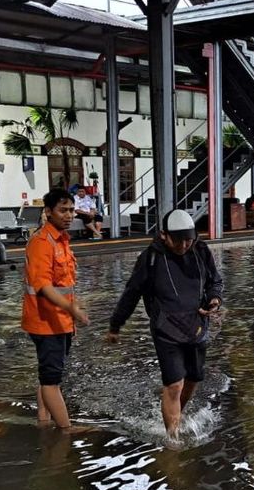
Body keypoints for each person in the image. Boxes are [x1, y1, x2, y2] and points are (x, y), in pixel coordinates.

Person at [106, 209, 223, 440]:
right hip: (165, 329)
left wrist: (214, 300)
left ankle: (174, 412)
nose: (183, 246)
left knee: (193, 379)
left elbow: (214, 281)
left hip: (197, 326)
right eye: (178, 241)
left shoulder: (200, 250)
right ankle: (173, 438)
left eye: (188, 240)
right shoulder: (150, 258)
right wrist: (115, 325)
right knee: (175, 384)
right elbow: (131, 294)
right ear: (163, 235)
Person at [22, 188, 91, 430]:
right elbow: (43, 286)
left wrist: (70, 315)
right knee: (52, 380)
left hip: (60, 321)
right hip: (46, 322)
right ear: (48, 212)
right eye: (63, 210)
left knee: (49, 375)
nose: (69, 215)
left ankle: (44, 419)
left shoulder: (61, 241)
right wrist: (72, 309)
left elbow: (64, 285)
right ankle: (66, 429)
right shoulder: (42, 242)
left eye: (72, 210)